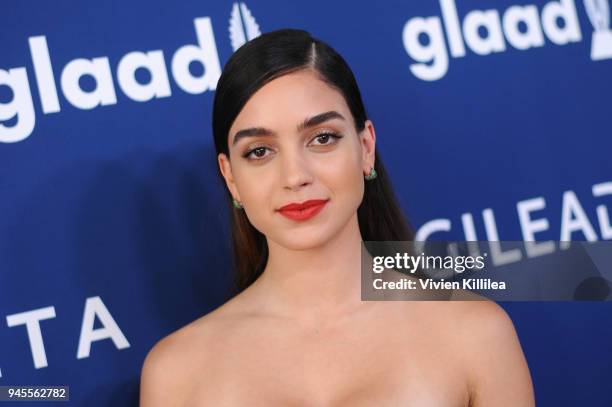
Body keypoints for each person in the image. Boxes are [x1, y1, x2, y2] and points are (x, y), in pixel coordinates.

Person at [140, 29, 535, 406]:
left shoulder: (476, 334)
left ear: (366, 148)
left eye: (322, 138)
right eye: (260, 151)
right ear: (231, 177)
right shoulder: (175, 371)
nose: (295, 176)